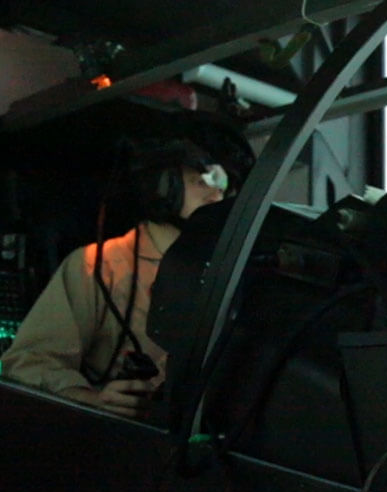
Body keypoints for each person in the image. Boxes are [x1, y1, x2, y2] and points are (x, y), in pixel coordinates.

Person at [0, 121, 252, 418]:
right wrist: (92, 399)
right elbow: (27, 362)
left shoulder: (231, 273)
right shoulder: (100, 266)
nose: (217, 197)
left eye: (226, 187)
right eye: (204, 181)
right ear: (162, 183)